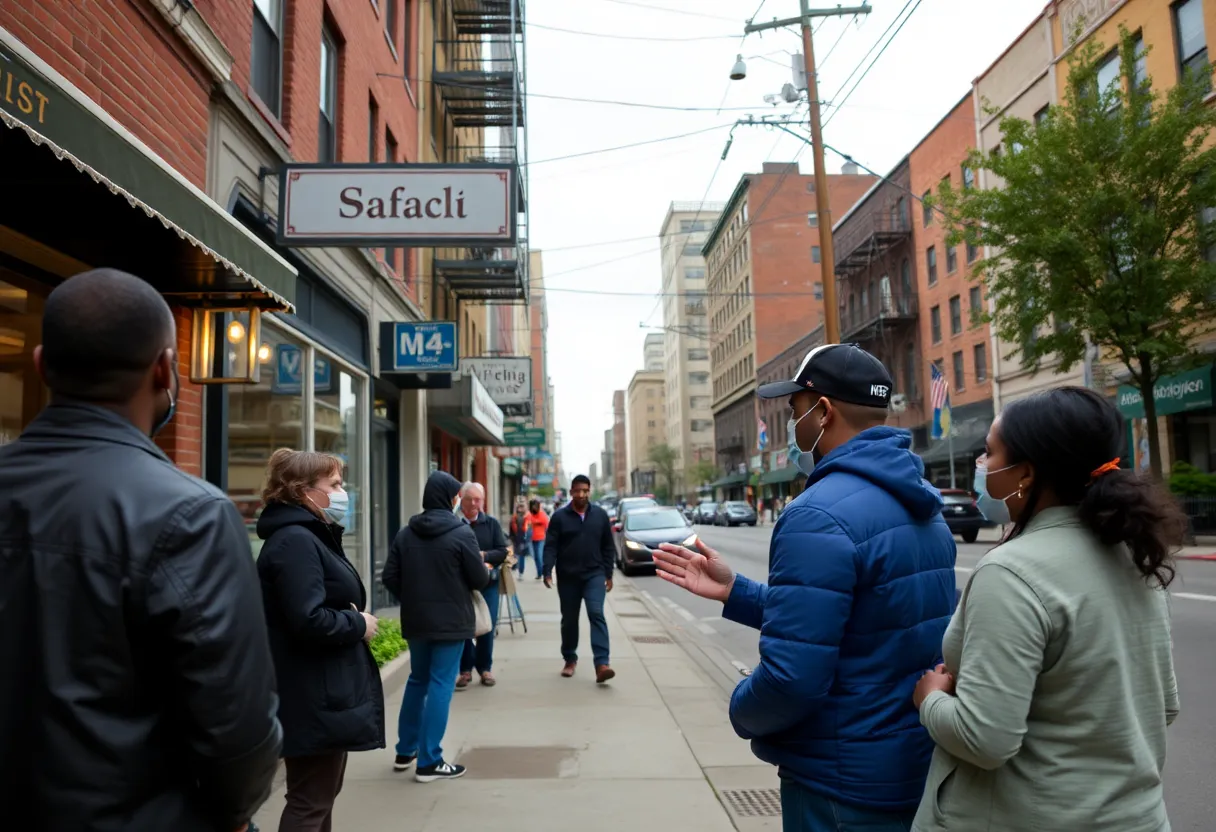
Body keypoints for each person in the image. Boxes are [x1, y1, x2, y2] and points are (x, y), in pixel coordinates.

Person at [0, 268, 282, 830]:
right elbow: (238, 732)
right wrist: (233, 812)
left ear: (40, 365)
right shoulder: (192, 515)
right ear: (165, 369)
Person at [654, 343, 956, 831]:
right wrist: (738, 592)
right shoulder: (923, 507)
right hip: (908, 768)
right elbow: (865, 621)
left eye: (795, 410)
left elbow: (792, 679)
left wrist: (741, 709)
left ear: (823, 411)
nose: (792, 426)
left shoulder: (815, 514)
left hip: (837, 782)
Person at [910, 387, 1182, 831]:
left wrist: (932, 699)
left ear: (1027, 474)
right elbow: (1162, 706)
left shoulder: (1011, 572)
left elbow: (984, 740)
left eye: (989, 454)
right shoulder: (1135, 553)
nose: (982, 467)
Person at [256, 448, 386, 831]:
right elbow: (308, 619)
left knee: (320, 796)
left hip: (323, 689)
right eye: (334, 484)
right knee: (310, 801)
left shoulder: (310, 535)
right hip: (313, 692)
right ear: (304, 491)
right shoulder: (296, 541)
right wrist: (357, 623)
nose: (342, 491)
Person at [382, 470, 491, 782]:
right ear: (449, 498)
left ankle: (406, 751)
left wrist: (413, 597)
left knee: (417, 680)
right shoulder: (461, 534)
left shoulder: (406, 533)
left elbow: (390, 577)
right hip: (452, 622)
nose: (459, 500)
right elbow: (479, 579)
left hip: (417, 621)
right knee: (442, 684)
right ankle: (430, 761)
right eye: (457, 495)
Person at [543, 474, 617, 683]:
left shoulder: (600, 516)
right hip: (568, 577)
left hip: (594, 574)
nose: (581, 494)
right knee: (569, 620)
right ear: (571, 492)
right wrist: (547, 570)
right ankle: (569, 658)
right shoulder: (559, 517)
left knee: (596, 613)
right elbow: (551, 546)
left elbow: (608, 547)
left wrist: (608, 574)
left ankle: (602, 664)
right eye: (577, 491)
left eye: (585, 490)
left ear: (589, 491)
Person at [456, 482, 509, 689]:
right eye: (472, 499)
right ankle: (465, 670)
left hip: (488, 583)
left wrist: (484, 555)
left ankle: (485, 668)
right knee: (465, 629)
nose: (476, 504)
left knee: (487, 626)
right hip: (462, 586)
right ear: (463, 500)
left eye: (479, 499)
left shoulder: (491, 524)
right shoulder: (456, 524)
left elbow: (502, 551)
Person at [527, 498, 550, 579]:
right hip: (533, 538)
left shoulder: (542, 514)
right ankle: (539, 573)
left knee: (539, 556)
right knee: (536, 557)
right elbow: (528, 523)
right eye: (532, 506)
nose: (534, 508)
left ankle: (544, 573)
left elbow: (546, 524)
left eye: (535, 506)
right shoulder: (530, 514)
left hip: (541, 538)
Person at [509, 501, 533, 577]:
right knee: (518, 554)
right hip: (516, 538)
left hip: (524, 538)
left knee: (521, 553)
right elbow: (512, 527)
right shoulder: (514, 517)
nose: (520, 509)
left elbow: (529, 529)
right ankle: (519, 570)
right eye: (519, 507)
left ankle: (518, 568)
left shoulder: (528, 516)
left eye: (522, 507)